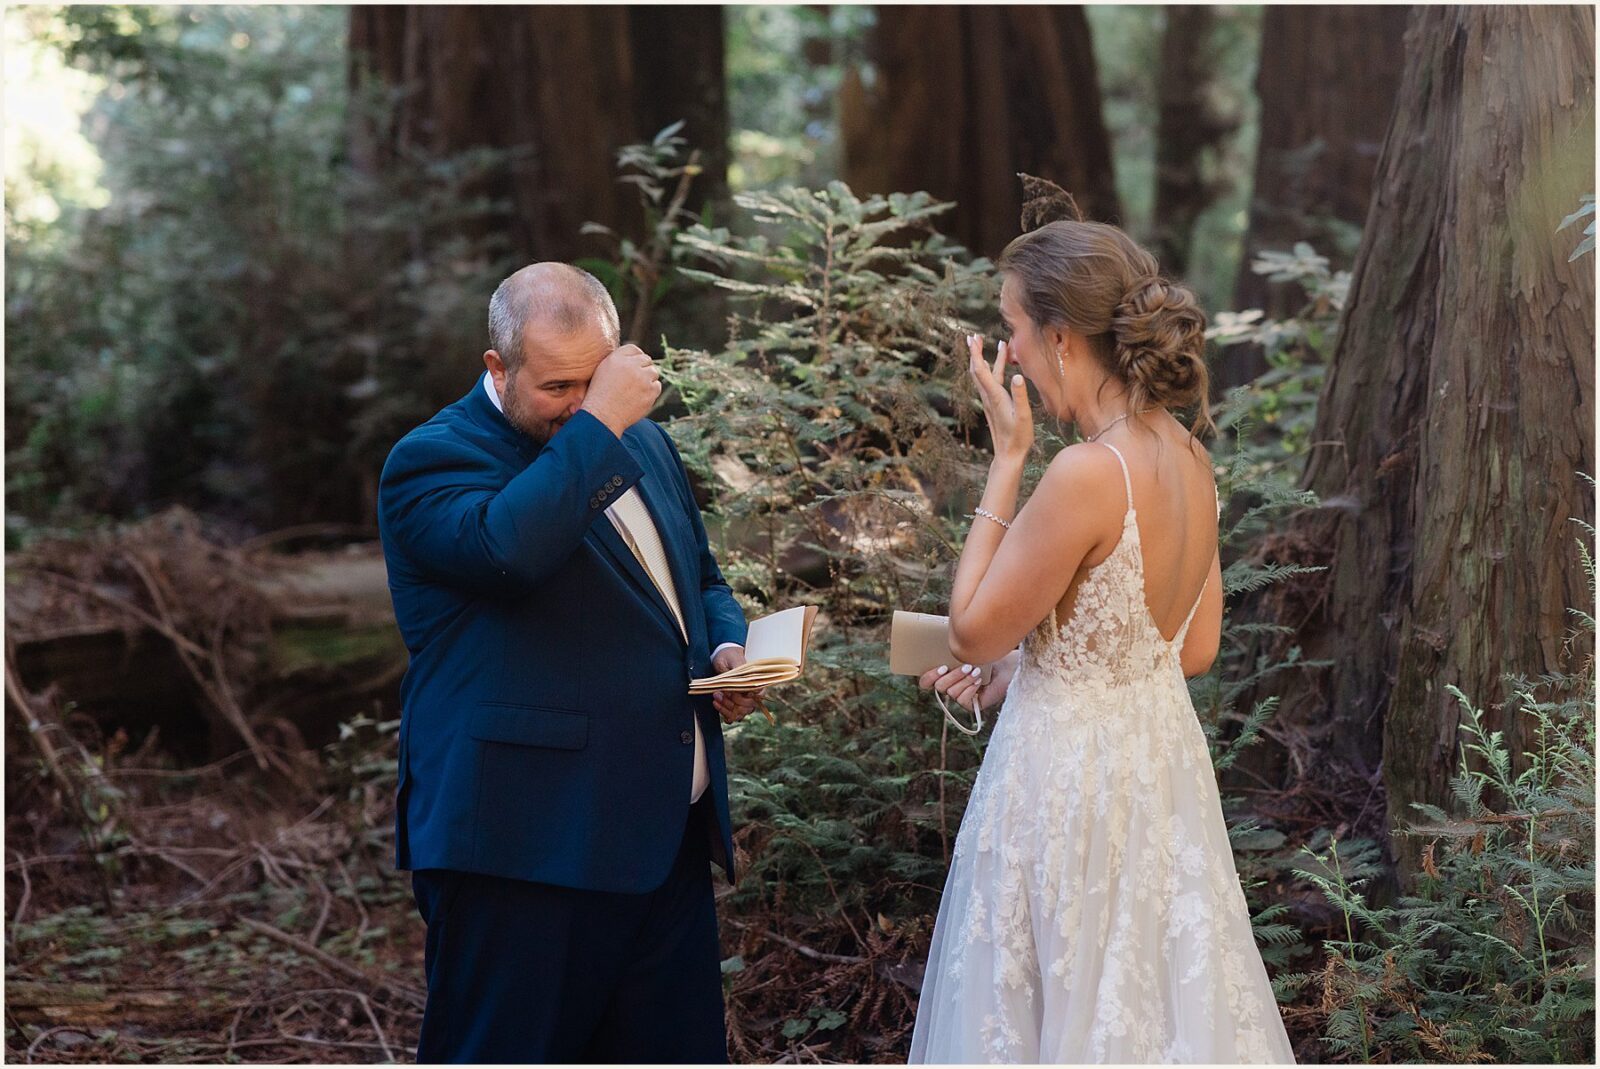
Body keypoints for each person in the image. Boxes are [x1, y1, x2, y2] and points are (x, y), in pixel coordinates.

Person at [907, 221, 1296, 1063]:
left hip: (1070, 786)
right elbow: (1188, 651)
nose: (1007, 347)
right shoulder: (1191, 457)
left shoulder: (1087, 472)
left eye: (1011, 326)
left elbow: (970, 625)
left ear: (1058, 336)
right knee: (1150, 1005)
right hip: (1157, 775)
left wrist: (1008, 458)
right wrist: (1032, 664)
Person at [376, 263, 762, 1062]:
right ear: (497, 368)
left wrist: (727, 644)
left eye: (599, 380)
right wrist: (604, 424)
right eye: (558, 387)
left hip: (660, 836)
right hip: (524, 846)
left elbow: (697, 578)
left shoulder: (642, 442)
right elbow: (509, 550)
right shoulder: (430, 461)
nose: (584, 406)